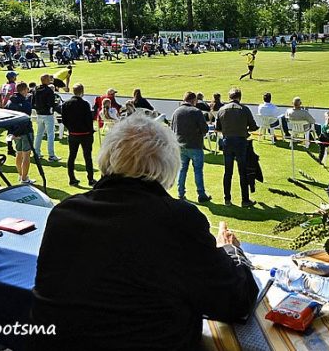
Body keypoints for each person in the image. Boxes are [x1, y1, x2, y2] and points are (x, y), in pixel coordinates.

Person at [31, 113, 258, 350]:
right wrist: (231, 250)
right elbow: (236, 301)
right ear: (169, 166)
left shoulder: (65, 213)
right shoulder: (177, 220)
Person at [215, 88, 259, 207]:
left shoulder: (221, 109)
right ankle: (245, 200)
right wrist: (245, 129)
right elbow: (254, 126)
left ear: (229, 97)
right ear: (240, 97)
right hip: (240, 142)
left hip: (227, 142)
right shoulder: (244, 109)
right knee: (242, 172)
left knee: (228, 172)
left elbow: (217, 128)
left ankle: (227, 199)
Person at [171, 91, 212, 202]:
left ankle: (180, 193)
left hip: (180, 145)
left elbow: (172, 129)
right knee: (198, 171)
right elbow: (205, 129)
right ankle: (201, 194)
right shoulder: (196, 112)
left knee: (182, 170)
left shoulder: (176, 112)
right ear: (194, 100)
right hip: (195, 145)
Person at [61, 83, 96, 186]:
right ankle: (90, 179)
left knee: (72, 156)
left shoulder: (66, 104)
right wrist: (90, 130)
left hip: (73, 134)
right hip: (85, 134)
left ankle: (72, 178)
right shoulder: (85, 104)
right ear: (82, 92)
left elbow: (64, 120)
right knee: (87, 157)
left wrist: (70, 129)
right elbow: (88, 120)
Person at [6, 82, 35, 184]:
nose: (28, 91)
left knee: (19, 153)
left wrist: (12, 133)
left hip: (15, 132)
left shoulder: (10, 102)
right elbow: (26, 120)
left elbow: (7, 119)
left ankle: (20, 175)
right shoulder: (26, 103)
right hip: (25, 132)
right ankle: (24, 178)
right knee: (26, 155)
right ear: (23, 90)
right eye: (27, 89)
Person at [32, 74, 61, 162]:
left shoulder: (36, 89)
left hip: (39, 114)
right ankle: (51, 155)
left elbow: (32, 102)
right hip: (48, 114)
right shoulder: (49, 90)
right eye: (49, 79)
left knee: (39, 134)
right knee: (50, 135)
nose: (50, 80)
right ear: (46, 80)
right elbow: (52, 103)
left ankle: (36, 152)